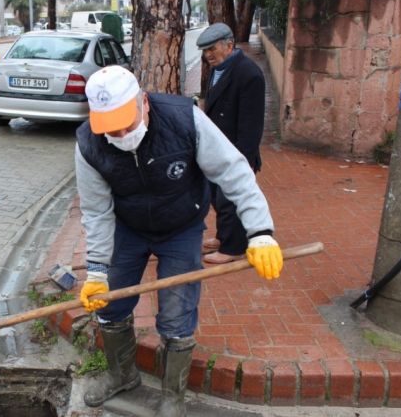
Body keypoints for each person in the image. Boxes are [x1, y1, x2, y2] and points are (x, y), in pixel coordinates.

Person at [75, 66, 283, 416]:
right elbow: (96, 213)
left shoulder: (184, 120)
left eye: (127, 122)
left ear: (143, 102)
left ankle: (173, 395)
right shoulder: (89, 144)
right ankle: (123, 375)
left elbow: (233, 171)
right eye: (111, 128)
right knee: (109, 306)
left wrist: (260, 232)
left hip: (181, 226)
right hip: (128, 228)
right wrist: (96, 272)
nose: (122, 133)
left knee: (176, 314)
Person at [197, 22, 266, 264]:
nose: (208, 56)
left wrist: (242, 160)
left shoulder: (249, 74)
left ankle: (234, 248)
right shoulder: (217, 68)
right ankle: (224, 236)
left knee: (231, 199)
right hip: (217, 147)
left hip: (237, 150)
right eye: (204, 51)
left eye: (212, 49)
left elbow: (251, 126)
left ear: (229, 45)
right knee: (217, 196)